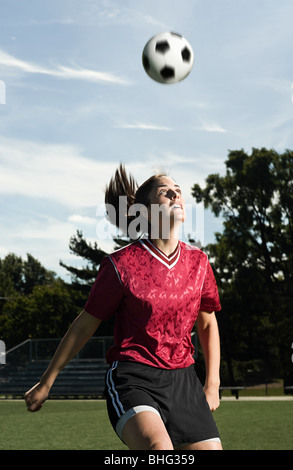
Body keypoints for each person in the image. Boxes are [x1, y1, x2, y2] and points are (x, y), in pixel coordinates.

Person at [24, 164, 222, 451]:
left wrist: (212, 383)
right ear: (146, 212)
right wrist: (46, 381)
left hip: (184, 381)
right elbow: (84, 325)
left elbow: (207, 324)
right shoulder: (120, 265)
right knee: (159, 450)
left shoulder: (199, 263)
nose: (176, 194)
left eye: (178, 190)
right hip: (134, 377)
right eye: (165, 191)